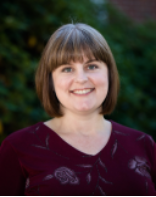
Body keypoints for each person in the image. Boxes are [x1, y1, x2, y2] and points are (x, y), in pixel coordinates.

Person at [0, 23, 156, 196]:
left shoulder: (143, 145)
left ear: (109, 74)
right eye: (67, 69)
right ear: (51, 81)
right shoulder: (18, 148)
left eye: (92, 66)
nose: (81, 79)